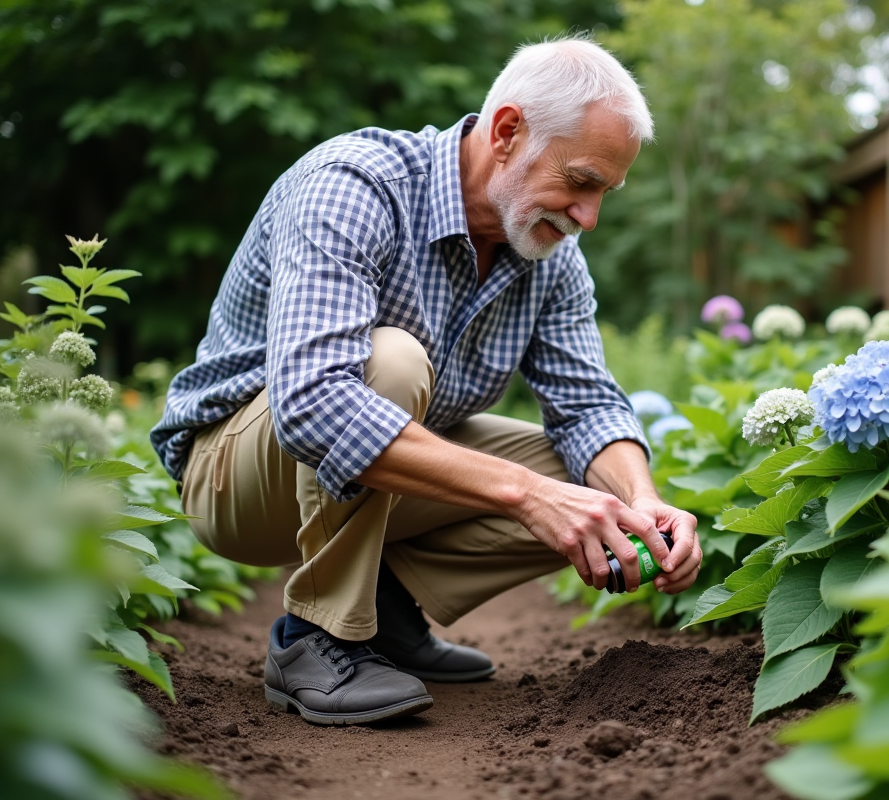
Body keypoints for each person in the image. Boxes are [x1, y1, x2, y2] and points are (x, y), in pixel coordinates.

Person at [150, 37, 702, 726]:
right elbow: (314, 406)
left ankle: (382, 613)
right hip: (235, 477)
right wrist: (529, 496)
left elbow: (587, 404)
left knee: (592, 482)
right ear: (507, 132)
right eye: (582, 181)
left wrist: (643, 503)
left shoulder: (549, 251)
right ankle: (315, 638)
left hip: (371, 477)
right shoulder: (355, 184)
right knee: (391, 362)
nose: (588, 216)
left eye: (604, 195)